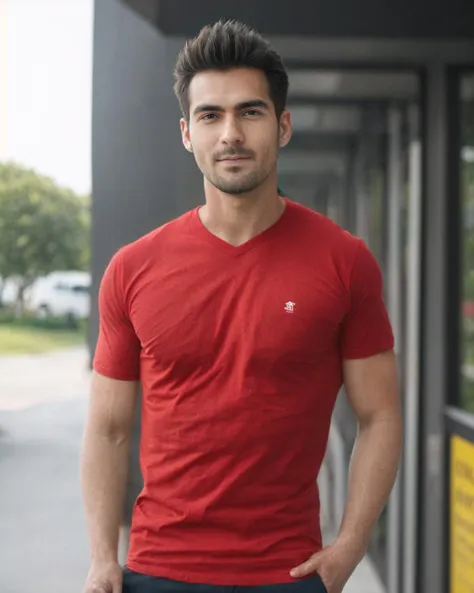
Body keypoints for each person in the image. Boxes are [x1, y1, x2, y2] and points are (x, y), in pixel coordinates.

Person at [80, 18, 402, 593]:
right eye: (210, 115)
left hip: (291, 574)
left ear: (282, 126)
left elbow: (379, 416)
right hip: (157, 571)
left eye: (249, 112)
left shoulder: (344, 262)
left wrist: (349, 548)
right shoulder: (132, 269)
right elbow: (107, 429)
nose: (230, 133)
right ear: (187, 133)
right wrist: (104, 558)